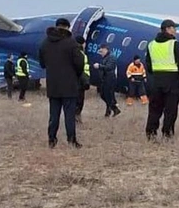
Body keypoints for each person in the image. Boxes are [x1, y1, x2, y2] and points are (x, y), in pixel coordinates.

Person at [38, 18, 85, 149]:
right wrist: (76, 74)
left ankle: (51, 140)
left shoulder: (45, 43)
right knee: (69, 115)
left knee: (54, 115)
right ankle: (72, 140)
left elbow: (42, 63)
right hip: (69, 85)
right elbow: (80, 62)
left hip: (53, 85)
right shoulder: (71, 43)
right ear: (67, 27)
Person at [144, 19, 179, 141]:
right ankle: (167, 133)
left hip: (156, 80)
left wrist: (155, 73)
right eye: (174, 28)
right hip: (172, 80)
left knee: (154, 109)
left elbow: (148, 64)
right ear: (168, 29)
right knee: (171, 109)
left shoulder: (151, 44)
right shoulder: (174, 44)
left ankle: (151, 133)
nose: (176, 30)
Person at [94, 44, 121, 117]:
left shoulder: (112, 57)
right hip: (105, 79)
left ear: (106, 49)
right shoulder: (106, 57)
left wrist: (99, 66)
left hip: (110, 79)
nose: (101, 52)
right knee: (103, 95)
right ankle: (111, 109)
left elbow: (109, 67)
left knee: (107, 95)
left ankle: (114, 109)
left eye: (101, 51)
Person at [75, 36, 90, 124]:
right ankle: (76, 117)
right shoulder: (81, 55)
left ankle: (75, 116)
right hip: (80, 81)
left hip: (77, 81)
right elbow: (83, 69)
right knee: (79, 100)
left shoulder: (73, 52)